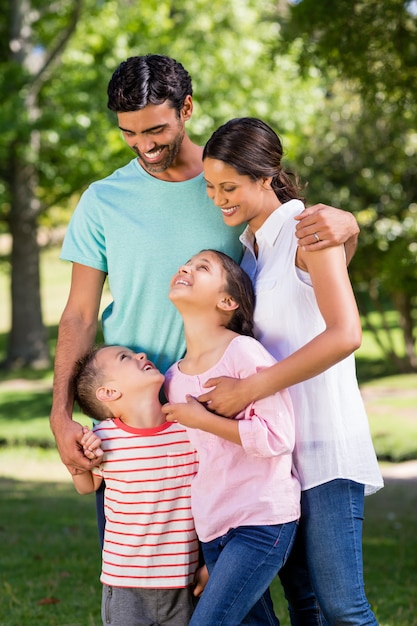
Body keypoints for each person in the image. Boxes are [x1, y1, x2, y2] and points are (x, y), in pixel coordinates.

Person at [50, 54, 359, 483]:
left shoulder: (231, 187)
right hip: (134, 424)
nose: (145, 146)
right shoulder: (103, 200)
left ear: (187, 108)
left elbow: (297, 261)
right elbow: (79, 315)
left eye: (156, 129)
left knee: (232, 545)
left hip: (226, 416)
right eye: (129, 133)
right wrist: (59, 413)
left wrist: (349, 227)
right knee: (133, 548)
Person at [196, 117, 384, 625]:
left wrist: (252, 388)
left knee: (343, 607)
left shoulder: (309, 232)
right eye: (211, 187)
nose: (219, 199)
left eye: (229, 187)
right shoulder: (250, 255)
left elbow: (346, 333)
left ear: (265, 177)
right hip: (278, 458)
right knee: (308, 607)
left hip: (325, 448)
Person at [162, 249, 300, 626]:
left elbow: (277, 437)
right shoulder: (173, 378)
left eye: (201, 267)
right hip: (212, 526)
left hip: (261, 518)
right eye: (185, 263)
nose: (185, 267)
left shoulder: (243, 352)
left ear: (227, 301)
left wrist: (203, 419)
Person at [70, 345, 207, 626]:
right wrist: (80, 459)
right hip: (124, 586)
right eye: (126, 358)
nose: (141, 357)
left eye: (136, 354)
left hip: (183, 583)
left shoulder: (189, 428)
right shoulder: (103, 438)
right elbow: (85, 486)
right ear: (109, 393)